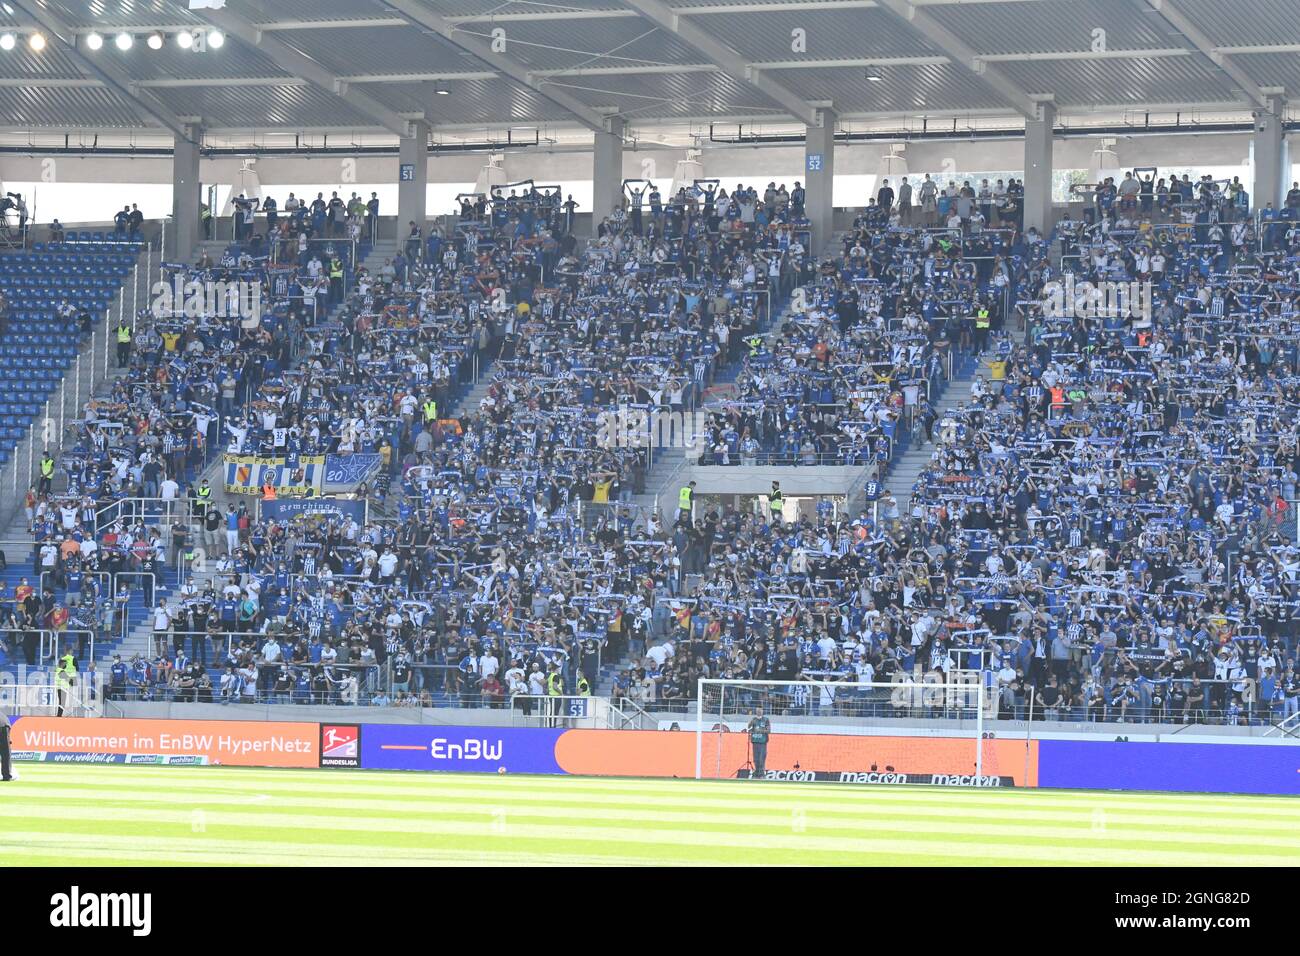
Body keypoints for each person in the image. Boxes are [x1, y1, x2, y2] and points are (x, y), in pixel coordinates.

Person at [746, 705, 771, 778]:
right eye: (757, 710)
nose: (759, 711)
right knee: (755, 759)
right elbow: (749, 728)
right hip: (755, 741)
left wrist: (760, 730)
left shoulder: (766, 720)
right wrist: (750, 723)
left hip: (762, 742)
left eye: (760, 710)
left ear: (762, 711)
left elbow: (769, 730)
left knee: (761, 758)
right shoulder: (753, 719)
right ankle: (756, 773)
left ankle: (761, 774)